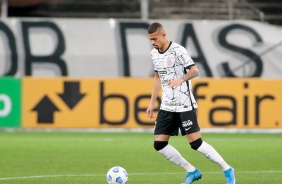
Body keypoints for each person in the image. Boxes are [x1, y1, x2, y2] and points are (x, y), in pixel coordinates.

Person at [146, 22, 236, 184]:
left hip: (184, 104)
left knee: (195, 143)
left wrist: (181, 79)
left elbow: (195, 70)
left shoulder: (178, 50)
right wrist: (152, 102)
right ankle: (192, 171)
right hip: (167, 106)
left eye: (155, 38)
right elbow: (157, 77)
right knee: (159, 144)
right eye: (150, 39)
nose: (153, 42)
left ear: (164, 35)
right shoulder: (154, 54)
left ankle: (227, 169)